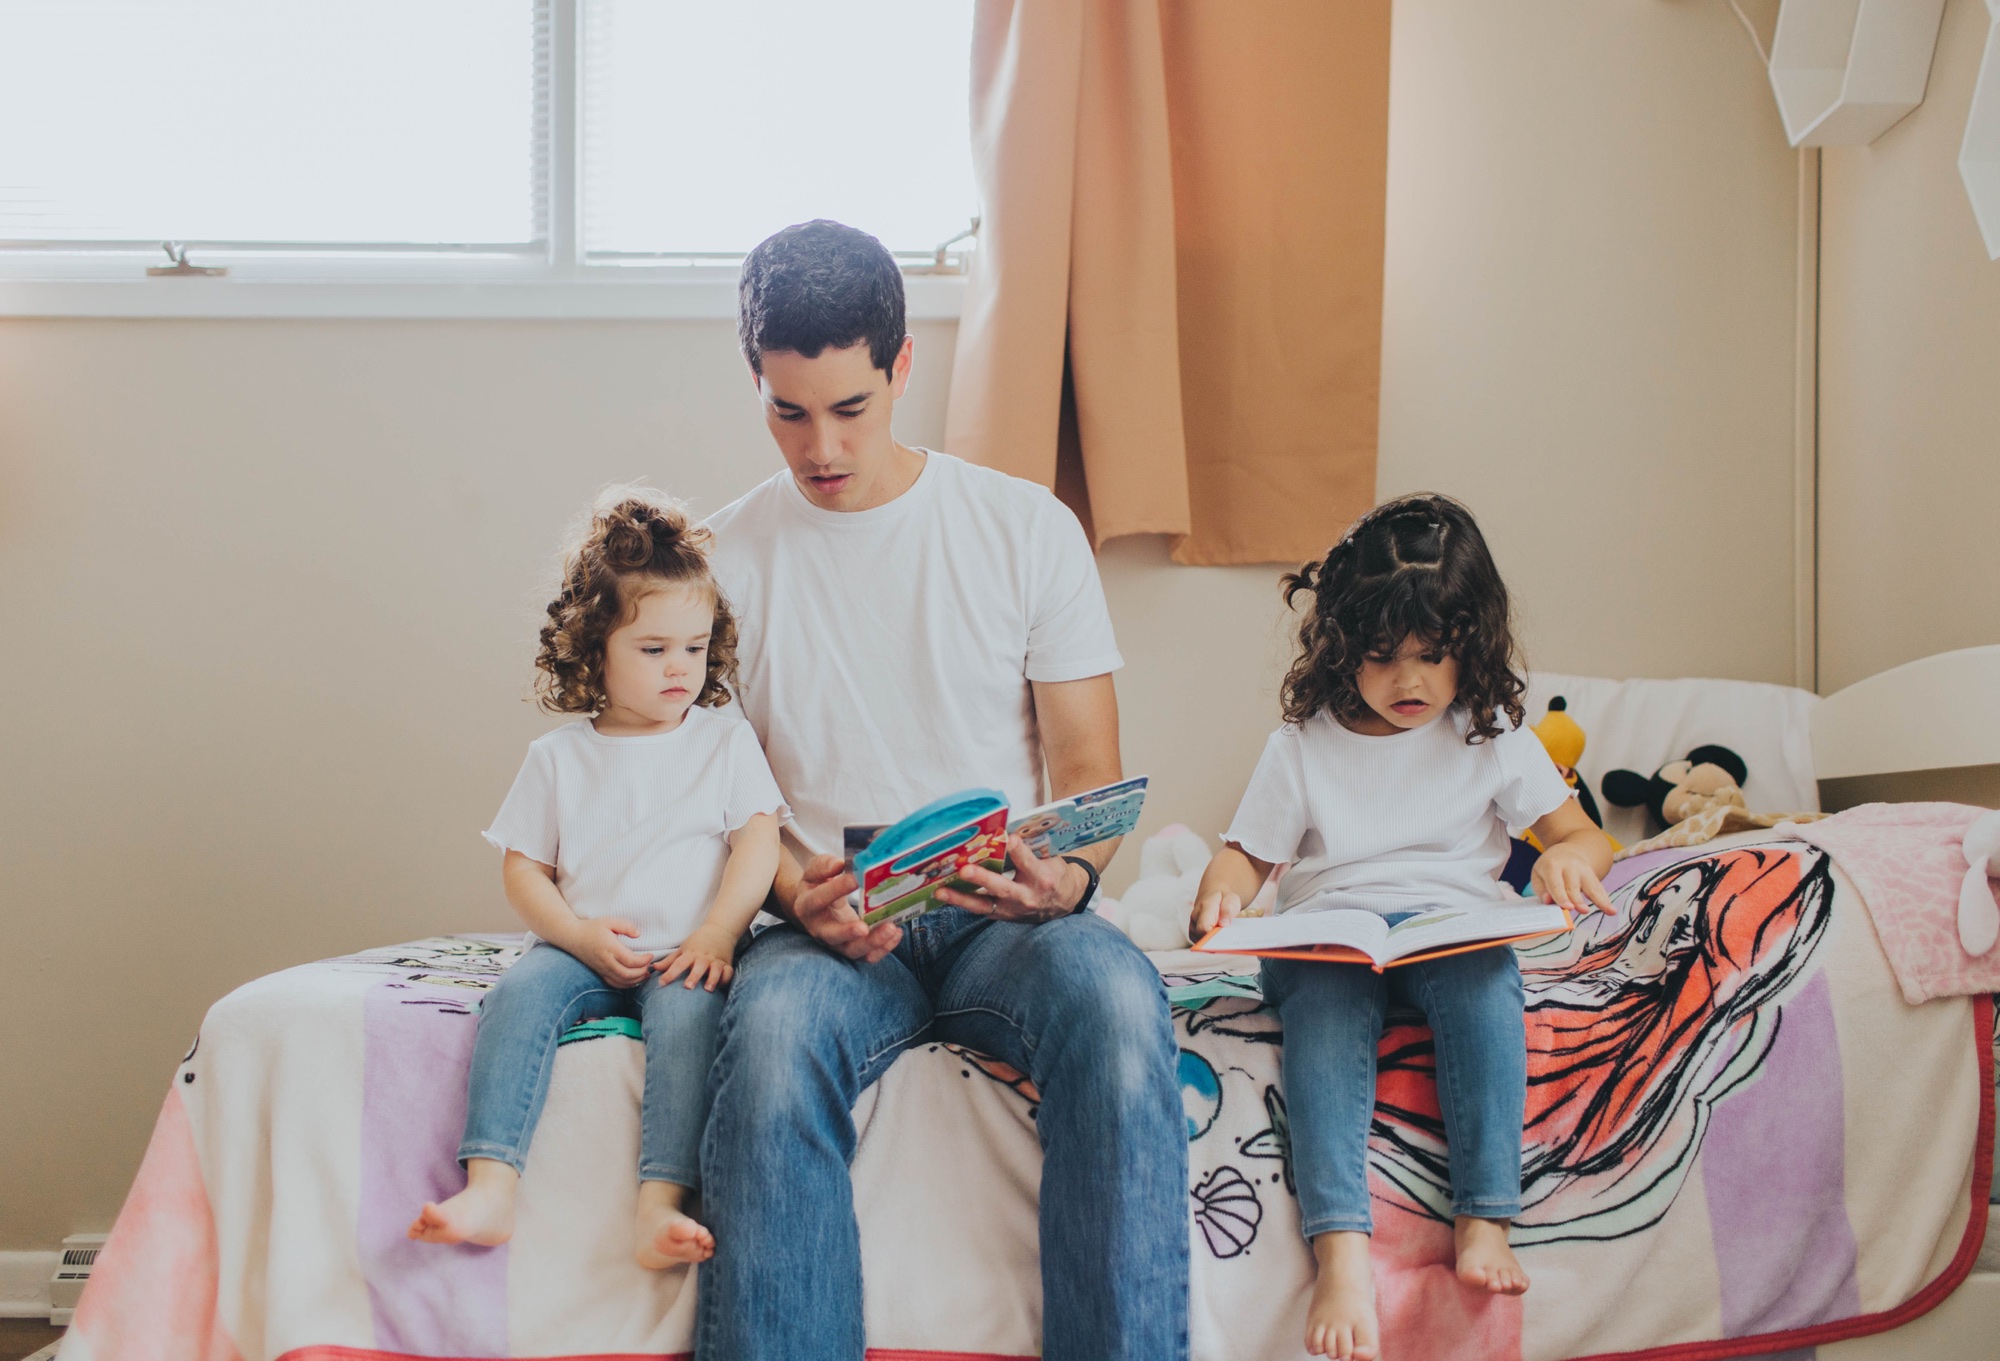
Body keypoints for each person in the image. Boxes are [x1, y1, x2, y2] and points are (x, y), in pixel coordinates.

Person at [696, 220, 1187, 1361]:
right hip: (826, 928)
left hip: (1000, 919)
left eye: (849, 407)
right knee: (767, 1045)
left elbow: (1088, 773)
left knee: (1119, 1004)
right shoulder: (718, 562)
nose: (820, 446)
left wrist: (1068, 878)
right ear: (754, 381)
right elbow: (722, 795)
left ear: (903, 365)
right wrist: (794, 891)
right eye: (786, 411)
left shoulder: (1023, 529)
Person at [1191, 494, 1617, 1361]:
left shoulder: (1492, 734)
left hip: (1450, 925)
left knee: (1486, 982)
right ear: (1342, 647)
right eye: (1382, 656)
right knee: (1325, 1007)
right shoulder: (1302, 746)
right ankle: (1341, 1254)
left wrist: (1569, 859)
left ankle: (1484, 1217)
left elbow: (1582, 835)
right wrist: (1219, 896)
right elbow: (1246, 858)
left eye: (1432, 654)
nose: (1408, 680)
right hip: (1331, 931)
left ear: (1472, 644)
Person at [407, 488, 786, 1270]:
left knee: (690, 1022)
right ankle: (491, 1186)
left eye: (695, 646)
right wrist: (575, 935)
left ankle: (660, 1204)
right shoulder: (560, 758)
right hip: (579, 947)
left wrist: (719, 931)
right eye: (653, 648)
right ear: (593, 650)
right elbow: (525, 867)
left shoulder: (724, 743)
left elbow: (758, 843)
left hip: (685, 950)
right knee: (516, 997)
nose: (680, 666)